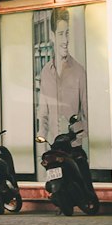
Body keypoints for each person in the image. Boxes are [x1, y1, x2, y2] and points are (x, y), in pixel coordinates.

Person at [37, 9, 89, 150]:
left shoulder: (79, 72)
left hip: (74, 148)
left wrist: (77, 131)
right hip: (53, 147)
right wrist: (41, 134)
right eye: (60, 34)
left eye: (67, 33)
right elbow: (43, 112)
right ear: (52, 36)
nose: (65, 40)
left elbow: (87, 114)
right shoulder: (45, 73)